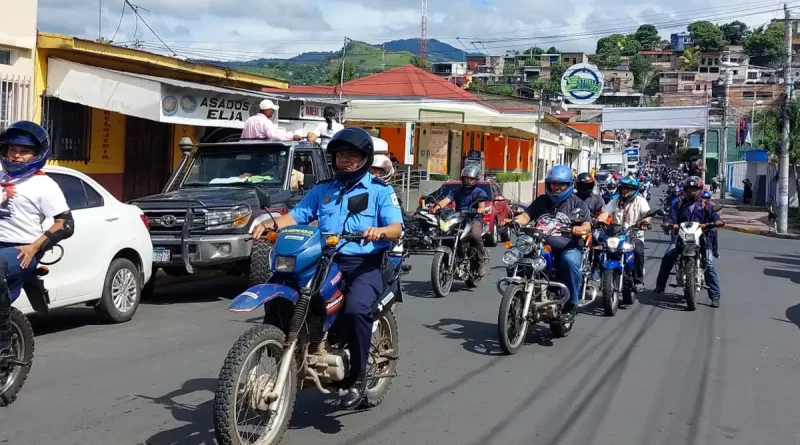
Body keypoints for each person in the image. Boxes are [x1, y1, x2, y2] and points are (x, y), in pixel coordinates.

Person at [251, 127, 403, 408]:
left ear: (365, 158)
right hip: (324, 257)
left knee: (357, 309)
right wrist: (268, 224)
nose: (344, 160)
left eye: (351, 155)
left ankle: (357, 378)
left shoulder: (380, 190)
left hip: (363, 263)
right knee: (283, 288)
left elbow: (396, 227)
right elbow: (297, 216)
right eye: (340, 155)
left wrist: (379, 231)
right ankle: (283, 347)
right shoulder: (324, 190)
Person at [0, 121, 74, 359]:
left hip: (21, 248)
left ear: (37, 154)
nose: (17, 156)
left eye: (24, 151)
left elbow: (65, 223)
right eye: (13, 149)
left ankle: (2, 344)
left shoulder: (44, 185)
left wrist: (34, 247)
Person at [503, 166, 592, 323]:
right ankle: (519, 292)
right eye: (553, 184)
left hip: (568, 246)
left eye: (561, 184)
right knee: (517, 256)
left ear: (569, 184)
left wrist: (580, 229)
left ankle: (571, 304)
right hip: (540, 244)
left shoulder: (577, 203)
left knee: (570, 262)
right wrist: (514, 221)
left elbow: (587, 225)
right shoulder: (542, 201)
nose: (556, 187)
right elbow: (526, 216)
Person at [654, 176, 723, 308]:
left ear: (700, 190)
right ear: (685, 189)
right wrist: (667, 223)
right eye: (689, 188)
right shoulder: (678, 203)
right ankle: (660, 285)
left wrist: (717, 221)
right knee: (668, 257)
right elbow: (670, 216)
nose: (691, 191)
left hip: (702, 239)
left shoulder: (705, 204)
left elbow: (714, 215)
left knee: (709, 263)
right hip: (681, 237)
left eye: (695, 188)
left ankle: (715, 295)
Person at [431, 164, 489, 277]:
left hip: (473, 219)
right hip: (459, 218)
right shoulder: (456, 191)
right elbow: (446, 200)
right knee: (446, 233)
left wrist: (480, 209)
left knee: (475, 236)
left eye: (471, 178)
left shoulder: (480, 192)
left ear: (476, 179)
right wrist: (437, 207)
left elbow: (482, 205)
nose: (468, 180)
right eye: (466, 178)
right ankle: (453, 257)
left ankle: (482, 261)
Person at [597, 177, 651, 293]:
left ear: (634, 190)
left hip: (634, 234)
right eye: (623, 188)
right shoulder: (615, 201)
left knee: (638, 251)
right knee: (600, 248)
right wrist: (600, 220)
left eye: (628, 189)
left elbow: (647, 214)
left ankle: (638, 280)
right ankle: (598, 273)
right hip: (616, 235)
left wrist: (645, 222)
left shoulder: (640, 201)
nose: (625, 191)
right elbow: (605, 212)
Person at [702, 189, 720, 258]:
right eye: (703, 198)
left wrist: (717, 221)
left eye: (707, 198)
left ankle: (715, 251)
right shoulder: (696, 205)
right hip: (697, 225)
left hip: (708, 225)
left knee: (714, 231)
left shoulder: (712, 205)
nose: (705, 200)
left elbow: (715, 214)